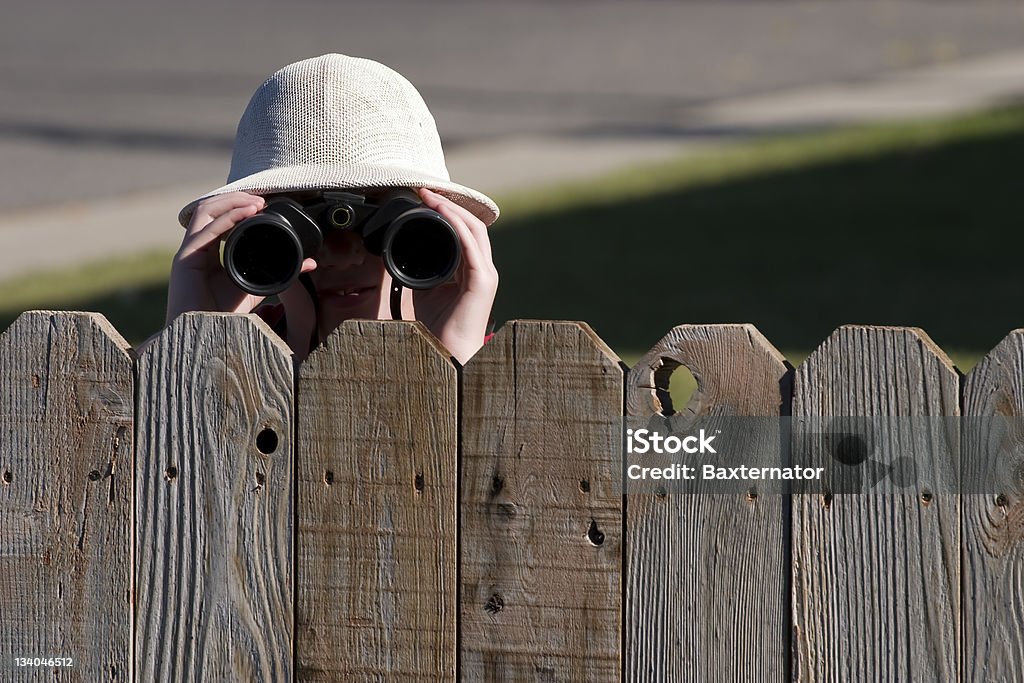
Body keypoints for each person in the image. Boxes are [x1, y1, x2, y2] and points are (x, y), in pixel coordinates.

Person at [166, 54, 499, 364]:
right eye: (303, 229)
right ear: (246, 237)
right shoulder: (227, 358)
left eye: (389, 226)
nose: (343, 255)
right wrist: (191, 343)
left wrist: (456, 354)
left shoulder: (510, 374)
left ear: (441, 231)